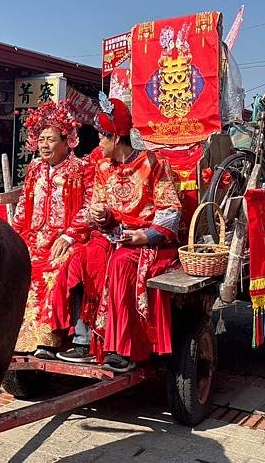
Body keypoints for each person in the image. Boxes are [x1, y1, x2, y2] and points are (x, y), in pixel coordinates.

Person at [54, 96, 181, 372]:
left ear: (115, 137)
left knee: (121, 265)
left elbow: (170, 211)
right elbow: (96, 207)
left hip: (143, 240)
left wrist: (144, 236)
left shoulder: (152, 163)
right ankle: (84, 339)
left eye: (101, 137)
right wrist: (99, 215)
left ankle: (123, 349)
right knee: (81, 259)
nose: (98, 144)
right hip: (110, 236)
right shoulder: (101, 166)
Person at [12, 100, 93, 359]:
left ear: (66, 141)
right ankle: (14, 336)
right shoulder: (34, 168)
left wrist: (69, 235)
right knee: (18, 265)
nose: (44, 145)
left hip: (68, 238)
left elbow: (89, 206)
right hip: (34, 237)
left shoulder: (81, 169)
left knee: (56, 268)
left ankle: (49, 340)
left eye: (50, 139)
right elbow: (25, 204)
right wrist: (13, 237)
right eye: (41, 139)